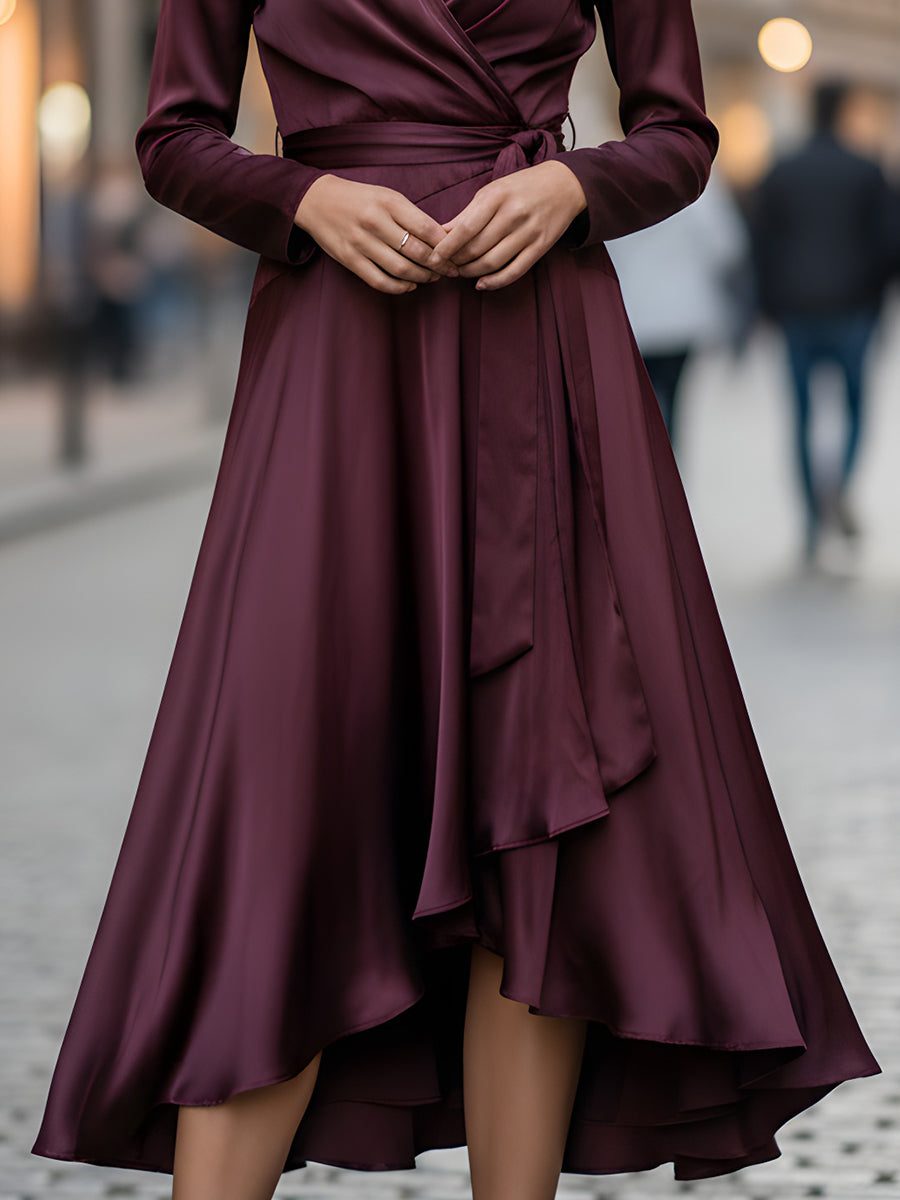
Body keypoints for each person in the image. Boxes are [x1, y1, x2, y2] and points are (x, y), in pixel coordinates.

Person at [31, 2, 879, 1198]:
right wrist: (300, 201)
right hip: (335, 361)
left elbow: (678, 129)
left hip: (540, 344)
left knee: (532, 808)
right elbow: (175, 134)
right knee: (288, 804)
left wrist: (578, 190)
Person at [751, 80, 899, 563]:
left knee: (801, 415)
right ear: (844, 111)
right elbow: (888, 241)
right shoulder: (866, 169)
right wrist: (877, 296)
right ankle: (840, 483)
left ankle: (813, 521)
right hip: (853, 308)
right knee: (856, 408)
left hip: (797, 310)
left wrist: (767, 304)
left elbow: (761, 244)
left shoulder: (782, 169)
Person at [606, 169, 752, 451]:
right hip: (682, 314)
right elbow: (727, 246)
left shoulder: (617, 179)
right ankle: (668, 465)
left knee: (640, 400)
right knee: (674, 396)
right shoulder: (695, 181)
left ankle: (645, 466)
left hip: (635, 313)